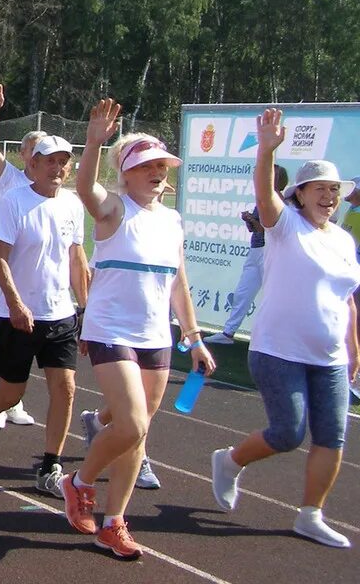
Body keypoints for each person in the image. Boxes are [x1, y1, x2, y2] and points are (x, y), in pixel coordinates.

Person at [59, 101, 216, 560]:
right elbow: (85, 187)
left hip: (156, 336)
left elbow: (178, 282)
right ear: (126, 174)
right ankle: (79, 482)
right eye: (146, 166)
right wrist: (92, 141)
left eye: (162, 166)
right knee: (132, 422)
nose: (156, 173)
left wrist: (194, 336)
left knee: (136, 434)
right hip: (111, 329)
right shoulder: (114, 210)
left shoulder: (171, 220)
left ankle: (114, 522)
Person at [211, 110, 360, 549]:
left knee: (332, 436)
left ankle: (310, 515)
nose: (329, 196)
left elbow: (348, 299)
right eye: (321, 189)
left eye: (335, 189)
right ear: (300, 194)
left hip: (330, 357)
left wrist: (354, 350)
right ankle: (230, 460)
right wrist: (266, 150)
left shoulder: (343, 239)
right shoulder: (285, 226)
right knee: (288, 433)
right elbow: (264, 192)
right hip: (278, 351)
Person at [0, 135, 89, 494]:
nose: (57, 168)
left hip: (60, 315)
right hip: (18, 315)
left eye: (63, 161)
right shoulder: (15, 201)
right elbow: (0, 257)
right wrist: (15, 304)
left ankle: (50, 467)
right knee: (12, 393)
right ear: (33, 164)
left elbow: (77, 260)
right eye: (50, 161)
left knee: (66, 388)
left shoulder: (74, 206)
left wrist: (86, 309)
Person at [0, 82, 41, 429]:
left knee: (25, 338)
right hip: (1, 270)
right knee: (2, 334)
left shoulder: (53, 190)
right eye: (32, 149)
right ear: (23, 154)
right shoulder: (9, 178)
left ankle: (12, 399)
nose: (38, 155)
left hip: (33, 276)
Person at [205, 165, 291, 345]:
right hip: (257, 250)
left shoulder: (278, 202)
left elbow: (269, 230)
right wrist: (249, 220)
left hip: (270, 253)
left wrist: (252, 220)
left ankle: (275, 339)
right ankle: (228, 333)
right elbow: (256, 230)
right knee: (243, 293)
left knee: (273, 296)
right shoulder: (263, 200)